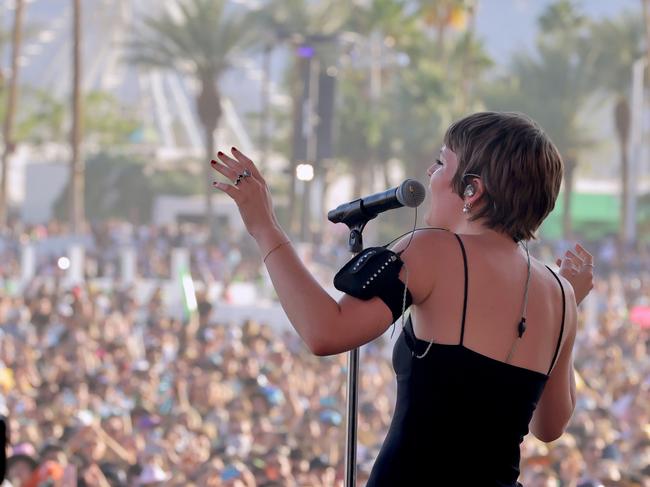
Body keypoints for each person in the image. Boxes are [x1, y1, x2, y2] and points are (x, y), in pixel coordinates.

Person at [210, 111, 595, 485]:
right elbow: (549, 426)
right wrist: (566, 315)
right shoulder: (560, 293)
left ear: (472, 189)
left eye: (441, 163)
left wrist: (264, 226)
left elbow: (324, 331)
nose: (430, 174)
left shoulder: (434, 250)